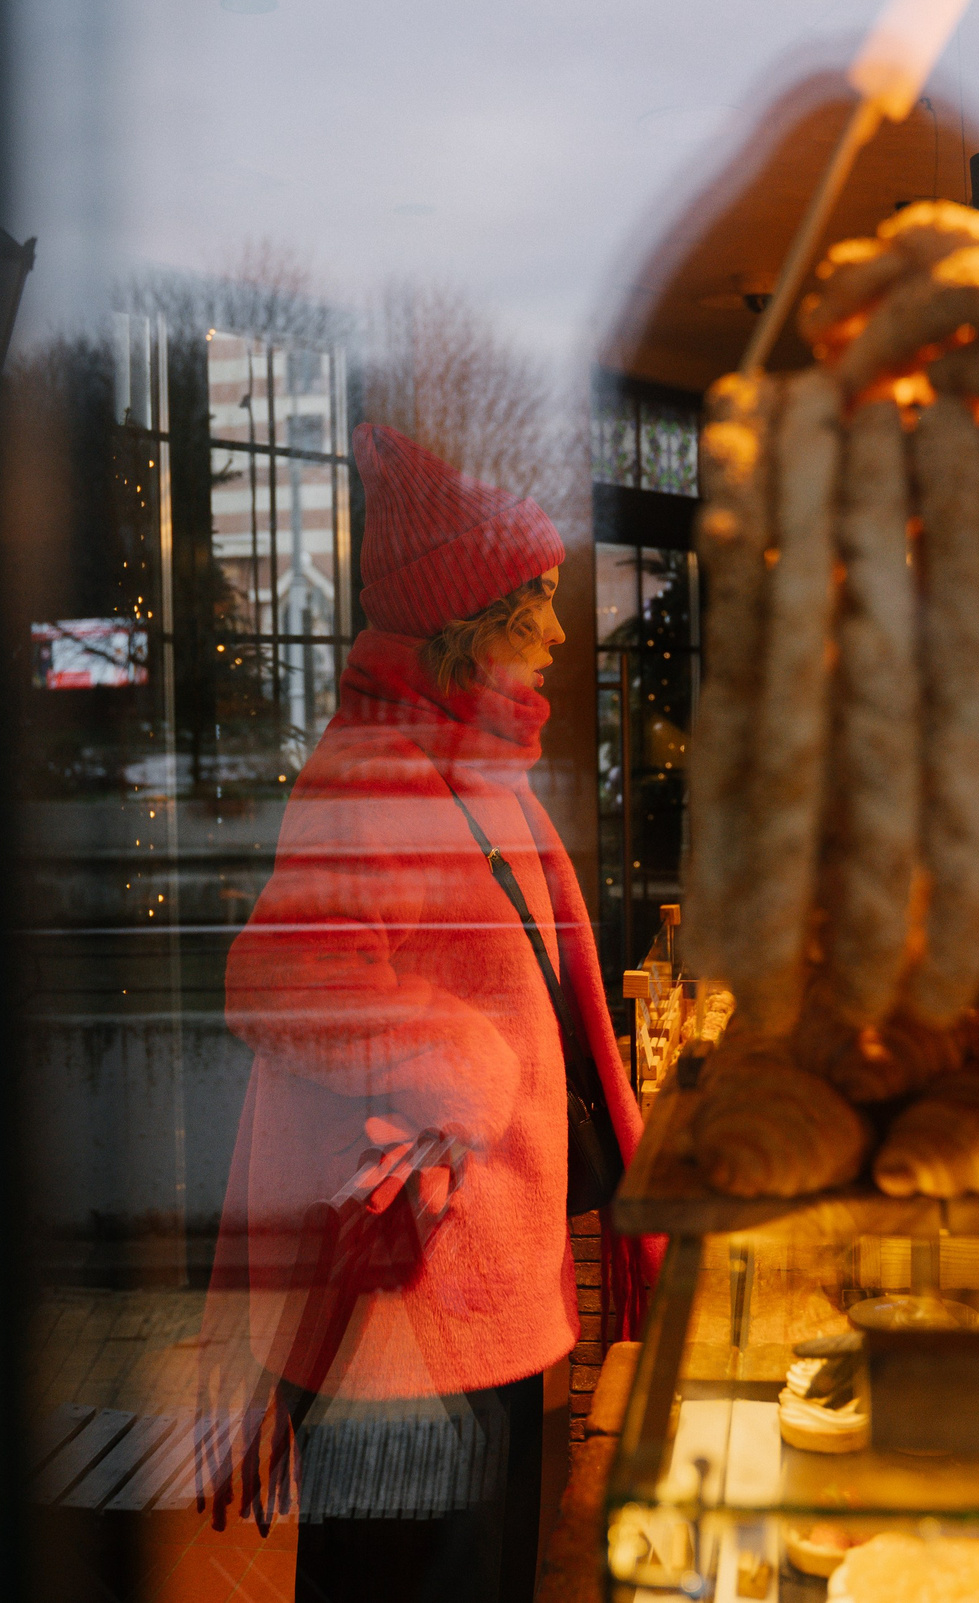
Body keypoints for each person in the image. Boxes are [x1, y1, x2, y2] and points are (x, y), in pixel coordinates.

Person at [209, 424, 652, 1603]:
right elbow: (278, 978)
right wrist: (456, 1059)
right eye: (535, 605)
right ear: (465, 624)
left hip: (481, 1281)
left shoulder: (473, 772)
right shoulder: (375, 774)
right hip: (410, 1308)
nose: (560, 634)